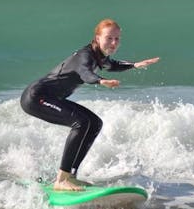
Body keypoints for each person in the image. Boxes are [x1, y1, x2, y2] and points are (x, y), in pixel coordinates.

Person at [20, 19, 159, 191]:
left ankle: (71, 176)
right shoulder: (85, 56)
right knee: (81, 122)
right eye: (109, 38)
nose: (114, 43)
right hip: (36, 97)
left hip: (52, 98)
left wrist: (134, 65)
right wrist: (101, 81)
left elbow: (112, 64)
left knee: (94, 123)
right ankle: (61, 180)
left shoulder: (99, 56)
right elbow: (85, 73)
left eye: (117, 39)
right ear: (98, 38)